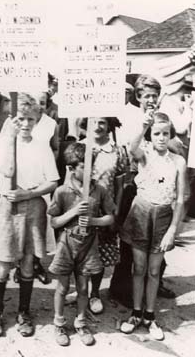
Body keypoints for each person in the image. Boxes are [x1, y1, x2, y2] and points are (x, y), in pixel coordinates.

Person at [0, 93, 59, 337]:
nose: (26, 124)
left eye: (30, 119)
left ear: (37, 119)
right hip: (8, 207)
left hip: (32, 207)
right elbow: (6, 170)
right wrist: (9, 138)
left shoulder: (41, 147)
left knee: (28, 263)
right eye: (20, 118)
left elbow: (52, 181)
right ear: (12, 119)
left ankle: (23, 312)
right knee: (4, 263)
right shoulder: (4, 141)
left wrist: (28, 194)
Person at [110, 75, 176, 306]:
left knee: (158, 239)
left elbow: (174, 143)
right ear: (138, 96)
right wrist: (144, 125)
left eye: (154, 96)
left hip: (157, 187)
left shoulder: (161, 117)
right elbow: (129, 147)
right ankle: (122, 288)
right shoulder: (129, 115)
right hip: (132, 182)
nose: (151, 100)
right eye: (147, 95)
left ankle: (155, 281)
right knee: (130, 241)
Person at [120, 112, 186, 340]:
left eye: (165, 133)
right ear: (150, 135)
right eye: (156, 133)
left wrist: (172, 230)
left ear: (170, 135)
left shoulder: (178, 161)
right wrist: (142, 126)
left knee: (154, 269)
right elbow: (132, 147)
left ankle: (150, 316)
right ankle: (136, 313)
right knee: (138, 267)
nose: (161, 137)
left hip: (164, 217)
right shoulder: (145, 154)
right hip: (141, 213)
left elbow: (179, 198)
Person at [48, 142, 115, 346]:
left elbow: (110, 217)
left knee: (83, 288)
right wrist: (74, 212)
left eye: (91, 165)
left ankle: (80, 321)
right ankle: (59, 322)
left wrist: (94, 221)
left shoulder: (100, 190)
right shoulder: (62, 191)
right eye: (84, 166)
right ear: (71, 168)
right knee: (62, 287)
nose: (90, 170)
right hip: (66, 244)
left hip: (89, 245)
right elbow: (54, 221)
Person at [77, 117, 127, 314]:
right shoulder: (79, 147)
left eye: (102, 123)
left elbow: (120, 184)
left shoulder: (117, 151)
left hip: (104, 210)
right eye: (93, 122)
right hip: (80, 209)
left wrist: (116, 211)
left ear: (108, 126)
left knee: (100, 252)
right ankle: (81, 291)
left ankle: (95, 293)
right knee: (79, 250)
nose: (97, 127)